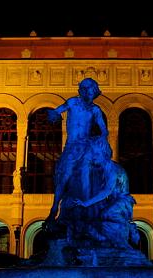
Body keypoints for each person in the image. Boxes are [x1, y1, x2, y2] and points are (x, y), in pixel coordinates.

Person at [46, 78, 107, 221]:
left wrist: (101, 139)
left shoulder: (95, 110)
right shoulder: (73, 102)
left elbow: (104, 130)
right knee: (65, 177)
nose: (91, 94)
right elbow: (58, 111)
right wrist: (54, 115)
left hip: (86, 146)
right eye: (89, 91)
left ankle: (85, 210)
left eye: (93, 92)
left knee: (86, 178)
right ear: (83, 91)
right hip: (72, 147)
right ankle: (54, 208)